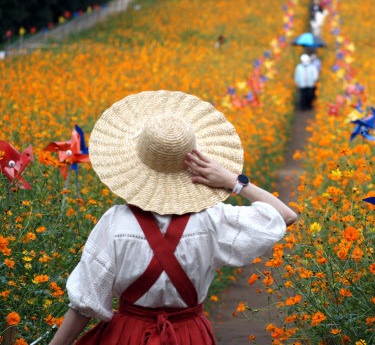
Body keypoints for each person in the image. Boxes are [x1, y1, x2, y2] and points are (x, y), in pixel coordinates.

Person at [48, 90, 297, 345]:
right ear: (197, 164)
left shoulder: (114, 224)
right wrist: (233, 181)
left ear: (134, 165)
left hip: (129, 336)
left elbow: (84, 305)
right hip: (189, 336)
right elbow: (285, 216)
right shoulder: (213, 220)